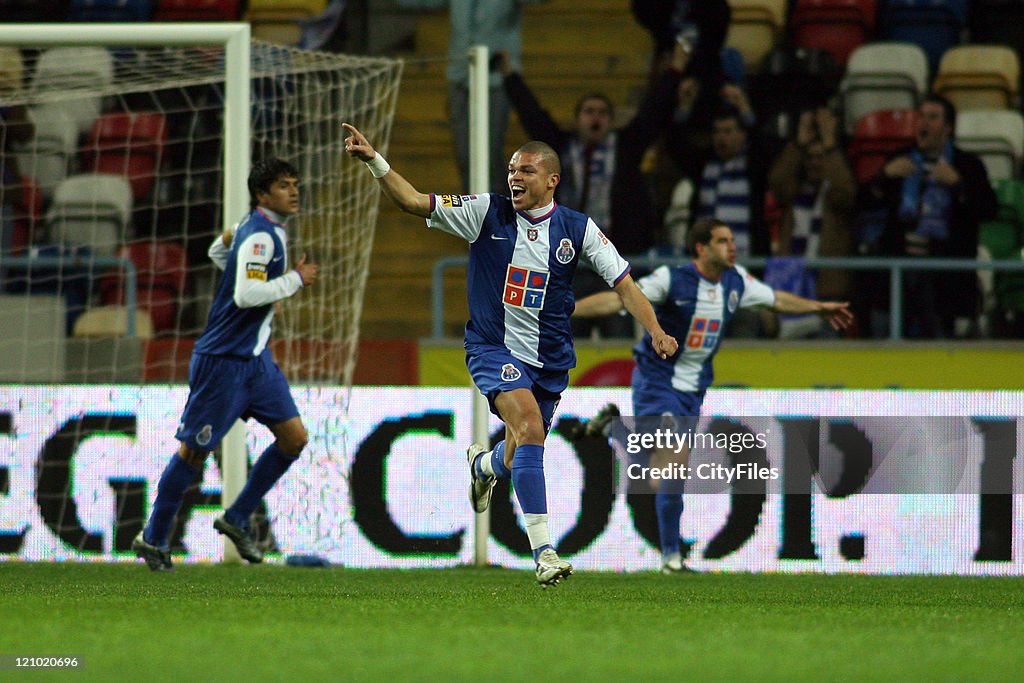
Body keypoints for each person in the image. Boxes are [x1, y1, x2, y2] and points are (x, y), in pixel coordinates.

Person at [341, 122, 678, 586]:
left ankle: (483, 466)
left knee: (519, 445)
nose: (514, 178)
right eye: (511, 170)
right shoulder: (485, 212)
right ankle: (543, 553)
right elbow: (411, 201)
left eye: (526, 170)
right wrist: (375, 161)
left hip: (551, 358)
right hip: (491, 345)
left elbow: (624, 286)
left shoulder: (578, 229)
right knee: (528, 428)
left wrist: (656, 330)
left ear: (551, 180)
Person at [573, 217, 853, 573]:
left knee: (668, 476)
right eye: (722, 241)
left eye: (732, 240)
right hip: (658, 380)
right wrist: (569, 307)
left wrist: (817, 307)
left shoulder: (736, 282)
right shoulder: (671, 279)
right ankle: (671, 556)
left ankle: (616, 436)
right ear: (702, 249)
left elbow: (776, 300)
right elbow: (618, 300)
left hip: (694, 387)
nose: (731, 247)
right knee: (671, 464)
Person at [132, 158, 318, 571]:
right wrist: (296, 280)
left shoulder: (258, 229)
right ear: (263, 194)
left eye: (295, 184)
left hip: (256, 362)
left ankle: (236, 518)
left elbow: (218, 250)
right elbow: (246, 296)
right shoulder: (262, 239)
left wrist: (237, 251)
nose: (294, 191)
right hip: (223, 363)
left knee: (294, 439)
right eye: (285, 185)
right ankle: (155, 537)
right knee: (194, 453)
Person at [499, 41, 688, 337]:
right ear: (578, 120)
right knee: (563, 339)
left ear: (611, 122)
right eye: (589, 111)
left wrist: (675, 71)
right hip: (566, 264)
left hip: (612, 262)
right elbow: (532, 114)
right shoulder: (560, 149)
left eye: (602, 112)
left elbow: (655, 111)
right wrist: (510, 75)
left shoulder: (626, 148)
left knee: (617, 337)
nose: (595, 117)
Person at [862, 94, 997, 338]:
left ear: (948, 128)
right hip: (898, 271)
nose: (923, 123)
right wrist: (884, 175)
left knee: (941, 343)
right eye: (921, 116)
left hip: (943, 275)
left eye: (932, 117)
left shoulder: (967, 165)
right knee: (885, 341)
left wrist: (958, 184)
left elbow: (989, 210)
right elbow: (864, 203)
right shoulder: (900, 160)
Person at [396, 0, 546, 195]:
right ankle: (472, 212)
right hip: (460, 76)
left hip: (496, 78)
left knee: (489, 155)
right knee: (464, 156)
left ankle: (498, 215)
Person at [767, 107, 857, 338]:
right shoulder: (794, 192)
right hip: (790, 291)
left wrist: (830, 146)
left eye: (821, 157)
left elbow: (846, 192)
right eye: (810, 157)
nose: (815, 163)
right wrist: (798, 144)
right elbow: (777, 181)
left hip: (826, 293)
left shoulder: (834, 199)